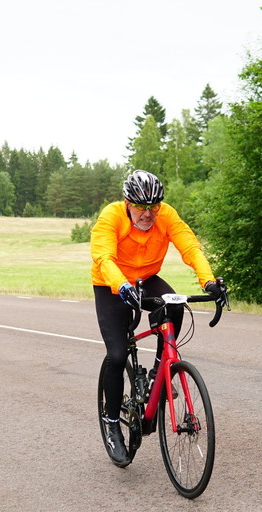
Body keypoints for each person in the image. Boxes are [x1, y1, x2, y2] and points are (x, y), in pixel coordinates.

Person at [91, 169, 226, 464]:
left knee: (175, 305)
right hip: (111, 284)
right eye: (141, 207)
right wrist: (122, 286)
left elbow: (190, 247)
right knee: (117, 355)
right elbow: (104, 258)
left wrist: (209, 282)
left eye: (154, 206)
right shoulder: (111, 216)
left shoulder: (166, 215)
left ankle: (158, 374)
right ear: (128, 203)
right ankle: (112, 424)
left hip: (147, 278)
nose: (148, 213)